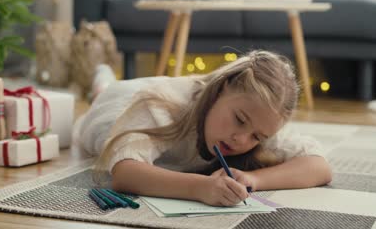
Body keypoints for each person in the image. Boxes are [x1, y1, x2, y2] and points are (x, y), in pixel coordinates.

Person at [73, 50, 332, 207]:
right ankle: (101, 78)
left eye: (257, 136)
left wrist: (254, 179)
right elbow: (125, 173)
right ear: (220, 89)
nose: (241, 139)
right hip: (116, 102)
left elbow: (319, 167)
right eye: (239, 120)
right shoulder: (160, 104)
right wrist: (199, 188)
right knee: (102, 91)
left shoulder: (260, 116)